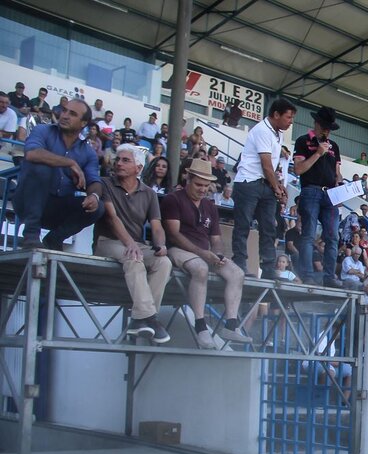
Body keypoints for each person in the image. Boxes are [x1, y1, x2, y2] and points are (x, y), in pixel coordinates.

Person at [162, 159, 252, 349]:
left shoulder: (210, 206)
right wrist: (204, 254)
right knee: (200, 268)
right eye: (198, 185)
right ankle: (200, 325)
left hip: (203, 252)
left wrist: (218, 254)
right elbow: (173, 234)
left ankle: (231, 324)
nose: (203, 189)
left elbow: (216, 238)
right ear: (188, 179)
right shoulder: (173, 199)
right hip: (178, 249)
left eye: (206, 185)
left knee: (237, 273)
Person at [93, 144, 171, 343]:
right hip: (107, 241)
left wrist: (161, 245)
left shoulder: (149, 193)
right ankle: (149, 318)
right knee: (134, 257)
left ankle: (140, 319)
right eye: (118, 159)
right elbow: (112, 218)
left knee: (164, 263)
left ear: (138, 168)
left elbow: (156, 226)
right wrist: (130, 243)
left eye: (125, 160)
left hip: (136, 243)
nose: (118, 163)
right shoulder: (105, 183)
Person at [12, 98, 105, 250]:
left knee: (98, 207)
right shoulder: (42, 130)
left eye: (73, 114)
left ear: (83, 123)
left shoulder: (88, 152)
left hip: (56, 207)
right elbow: (32, 154)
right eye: (64, 111)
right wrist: (70, 163)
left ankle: (54, 240)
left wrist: (93, 196)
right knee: (42, 167)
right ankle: (31, 235)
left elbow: (94, 181)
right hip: (27, 202)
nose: (65, 115)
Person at [231, 98, 295, 277]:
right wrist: (277, 188)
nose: (291, 122)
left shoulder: (278, 133)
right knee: (243, 225)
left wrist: (279, 185)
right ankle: (239, 263)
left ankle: (267, 268)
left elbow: (272, 166)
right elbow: (266, 164)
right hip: (248, 183)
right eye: (288, 117)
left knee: (269, 227)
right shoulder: (262, 130)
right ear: (276, 115)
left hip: (265, 184)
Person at [293, 106, 343, 287]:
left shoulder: (334, 147)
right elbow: (298, 169)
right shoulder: (303, 141)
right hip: (310, 190)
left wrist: (342, 187)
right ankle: (307, 274)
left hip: (330, 194)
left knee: (333, 237)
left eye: (329, 128)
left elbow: (337, 173)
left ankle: (329, 277)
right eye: (324, 126)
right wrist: (318, 153)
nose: (327, 131)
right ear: (317, 124)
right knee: (308, 234)